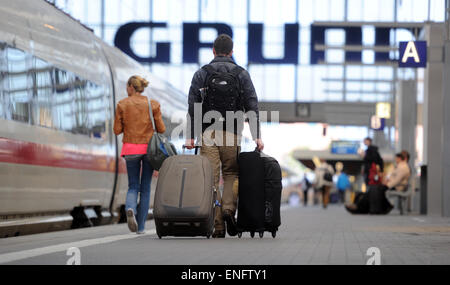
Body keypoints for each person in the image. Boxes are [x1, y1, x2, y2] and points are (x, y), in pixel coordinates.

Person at [185, 34, 264, 238]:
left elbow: (193, 107)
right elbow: (252, 106)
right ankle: (229, 209)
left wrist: (190, 137)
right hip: (232, 131)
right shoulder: (241, 74)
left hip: (208, 132)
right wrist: (257, 136)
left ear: (213, 50)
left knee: (211, 179)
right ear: (231, 51)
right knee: (231, 174)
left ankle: (217, 224)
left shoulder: (202, 73)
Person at [114, 75, 166, 234]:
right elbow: (161, 129)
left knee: (133, 186)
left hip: (130, 150)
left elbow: (116, 130)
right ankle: (141, 227)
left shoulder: (122, 104)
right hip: (149, 150)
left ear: (131, 87)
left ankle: (130, 208)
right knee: (145, 188)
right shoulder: (153, 104)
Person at [345, 152, 411, 214]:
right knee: (373, 189)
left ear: (400, 158)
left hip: (397, 187)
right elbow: (393, 178)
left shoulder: (403, 167)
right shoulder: (399, 166)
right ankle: (361, 207)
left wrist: (386, 185)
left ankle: (362, 207)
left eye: (396, 158)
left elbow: (397, 180)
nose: (396, 160)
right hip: (393, 185)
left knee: (375, 189)